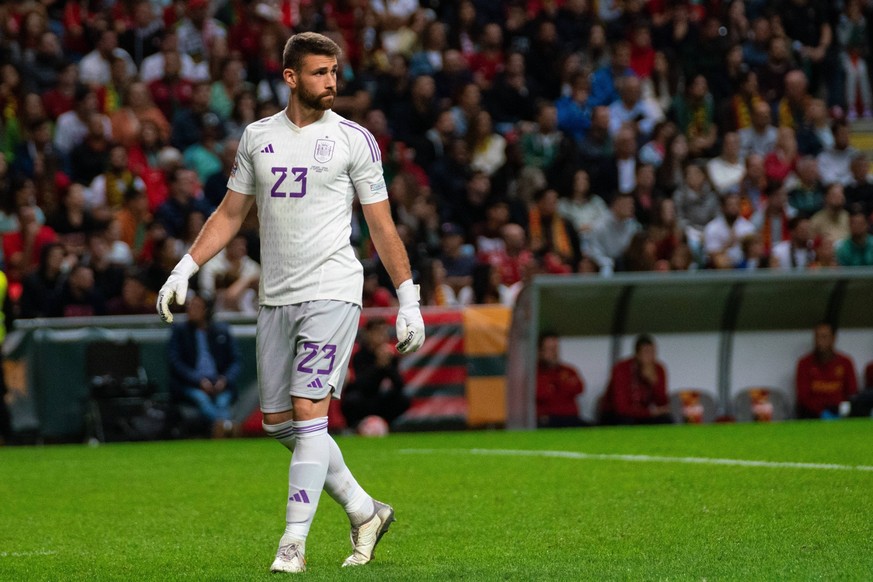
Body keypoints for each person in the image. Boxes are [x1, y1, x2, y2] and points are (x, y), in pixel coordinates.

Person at [156, 33, 425, 574]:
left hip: (333, 288)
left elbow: (380, 224)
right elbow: (232, 214)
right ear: (291, 77)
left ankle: (292, 543)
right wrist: (185, 267)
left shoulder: (355, 140)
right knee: (280, 422)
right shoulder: (258, 138)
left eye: (334, 71)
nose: (332, 81)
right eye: (321, 72)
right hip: (276, 296)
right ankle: (363, 509)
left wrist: (408, 298)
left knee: (308, 415)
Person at [167, 293, 241, 437]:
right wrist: (198, 381)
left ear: (206, 310)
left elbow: (235, 361)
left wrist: (224, 380)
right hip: (190, 384)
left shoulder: (221, 331)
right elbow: (175, 363)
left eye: (196, 306)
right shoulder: (180, 332)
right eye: (189, 306)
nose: (191, 310)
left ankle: (221, 431)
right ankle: (227, 428)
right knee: (202, 400)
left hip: (219, 382)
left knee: (222, 401)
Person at [341, 318, 410, 431]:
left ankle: (386, 425)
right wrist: (378, 366)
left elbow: (399, 384)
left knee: (402, 399)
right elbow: (360, 385)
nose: (382, 336)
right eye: (378, 332)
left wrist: (388, 366)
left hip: (379, 399)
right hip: (362, 400)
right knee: (352, 400)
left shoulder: (389, 356)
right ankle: (355, 427)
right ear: (368, 334)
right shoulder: (359, 354)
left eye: (384, 332)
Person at [600, 334, 672, 425]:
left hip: (644, 414)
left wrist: (654, 382)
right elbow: (621, 408)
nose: (650, 357)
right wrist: (649, 413)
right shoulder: (621, 369)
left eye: (653, 352)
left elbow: (662, 403)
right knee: (626, 421)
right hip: (618, 415)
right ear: (637, 354)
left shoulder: (658, 369)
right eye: (646, 353)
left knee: (666, 420)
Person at [795, 322, 858, 419]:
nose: (820, 341)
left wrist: (842, 410)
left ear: (833, 338)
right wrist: (821, 412)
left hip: (840, 412)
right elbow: (803, 397)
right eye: (817, 337)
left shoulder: (845, 362)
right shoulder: (804, 363)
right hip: (813, 414)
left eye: (824, 337)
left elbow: (852, 392)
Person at [535, 332, 586, 428]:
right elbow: (542, 394)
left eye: (556, 349)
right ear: (540, 352)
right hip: (547, 420)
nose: (554, 353)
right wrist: (562, 385)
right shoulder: (533, 373)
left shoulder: (568, 370)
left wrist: (555, 386)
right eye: (550, 349)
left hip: (571, 418)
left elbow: (579, 389)